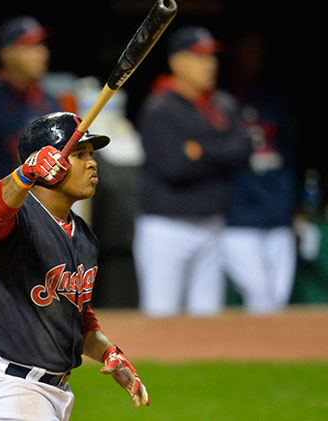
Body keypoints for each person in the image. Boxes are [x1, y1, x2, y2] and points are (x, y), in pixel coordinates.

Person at [0, 112, 149, 420]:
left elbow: (75, 315)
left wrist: (108, 352)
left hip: (54, 392)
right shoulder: (19, 219)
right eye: (79, 154)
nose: (92, 163)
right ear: (49, 164)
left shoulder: (84, 236)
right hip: (6, 384)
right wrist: (25, 173)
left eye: (91, 154)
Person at [132, 26, 251, 317]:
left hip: (211, 224)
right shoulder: (159, 107)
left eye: (211, 56)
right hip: (166, 227)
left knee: (207, 319)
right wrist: (219, 151)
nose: (209, 64)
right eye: (199, 57)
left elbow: (243, 152)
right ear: (177, 62)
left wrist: (201, 150)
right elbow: (175, 167)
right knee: (161, 315)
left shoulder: (223, 104)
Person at [0, 16, 61, 277]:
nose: (41, 53)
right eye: (29, 46)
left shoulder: (48, 102)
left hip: (34, 222)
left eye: (41, 45)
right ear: (7, 54)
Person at [219, 29, 299, 314]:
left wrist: (294, 210)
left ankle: (276, 357)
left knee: (276, 299)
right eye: (246, 48)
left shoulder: (274, 100)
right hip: (237, 218)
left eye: (256, 50)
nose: (251, 56)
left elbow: (290, 160)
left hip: (277, 216)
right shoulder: (219, 100)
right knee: (261, 296)